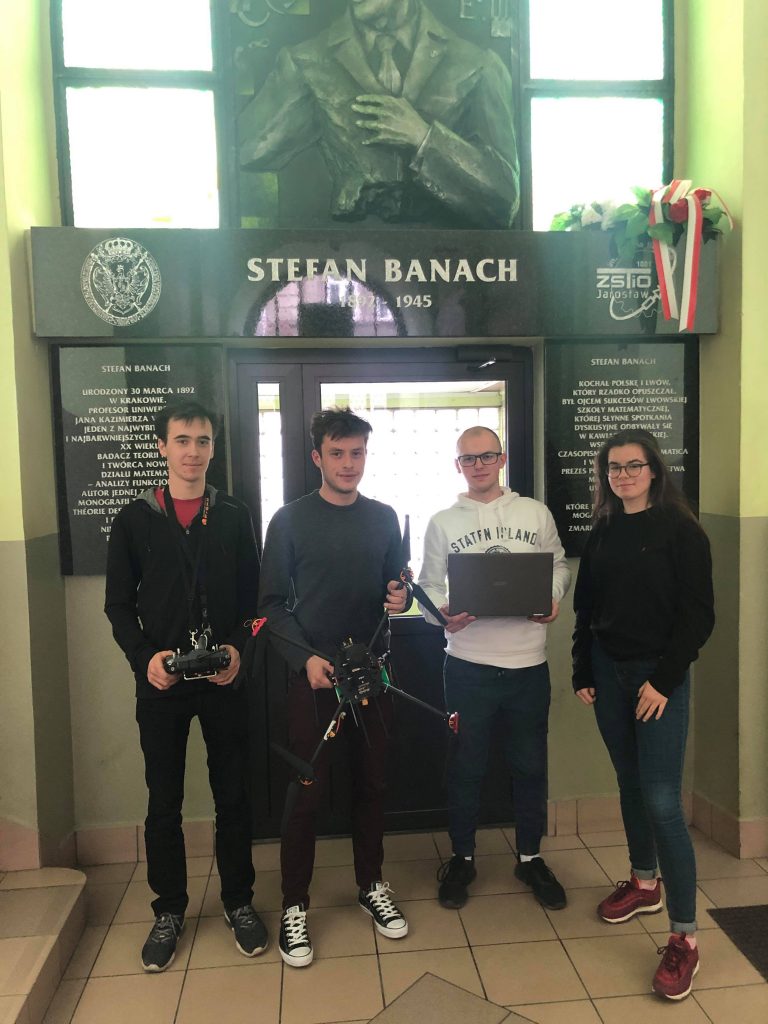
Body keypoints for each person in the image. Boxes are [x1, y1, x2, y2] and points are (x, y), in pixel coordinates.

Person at [104, 400, 266, 972]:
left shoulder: (234, 515)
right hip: (163, 682)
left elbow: (256, 603)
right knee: (163, 803)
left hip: (223, 677)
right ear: (162, 447)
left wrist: (239, 651)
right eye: (182, 440)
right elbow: (117, 606)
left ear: (213, 448)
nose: (192, 452)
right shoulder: (134, 520)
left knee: (233, 796)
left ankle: (239, 901)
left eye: (202, 441)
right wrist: (144, 658)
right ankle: (169, 909)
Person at [258, 407, 410, 967]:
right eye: (338, 453)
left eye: (358, 453)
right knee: (307, 792)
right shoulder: (289, 520)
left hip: (373, 675)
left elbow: (397, 591)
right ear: (317, 457)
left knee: (373, 784)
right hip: (315, 677)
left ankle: (371, 884)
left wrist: (401, 599)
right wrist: (305, 660)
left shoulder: (384, 517)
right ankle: (294, 905)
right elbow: (270, 608)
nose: (349, 464)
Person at [572, 429, 714, 1002]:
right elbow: (586, 607)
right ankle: (644, 882)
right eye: (614, 468)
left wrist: (663, 680)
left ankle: (685, 936)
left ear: (654, 470)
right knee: (629, 783)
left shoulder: (682, 530)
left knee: (661, 801)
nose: (624, 476)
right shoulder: (604, 529)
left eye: (634, 466)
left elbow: (698, 617)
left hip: (659, 677)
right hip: (608, 673)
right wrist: (582, 668)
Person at [417, 425, 571, 912]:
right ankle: (462, 858)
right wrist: (442, 613)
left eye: (487, 456)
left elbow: (559, 566)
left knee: (530, 766)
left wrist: (552, 597)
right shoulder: (443, 522)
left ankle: (530, 857)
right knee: (466, 767)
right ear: (457, 466)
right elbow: (428, 587)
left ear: (502, 460)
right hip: (468, 666)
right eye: (469, 458)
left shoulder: (535, 513)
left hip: (528, 665)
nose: (478, 465)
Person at [239, 0, 519, 228]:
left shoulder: (478, 64)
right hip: (344, 256)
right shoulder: (305, 60)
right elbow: (242, 154)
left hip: (448, 260)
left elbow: (505, 201)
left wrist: (424, 138)